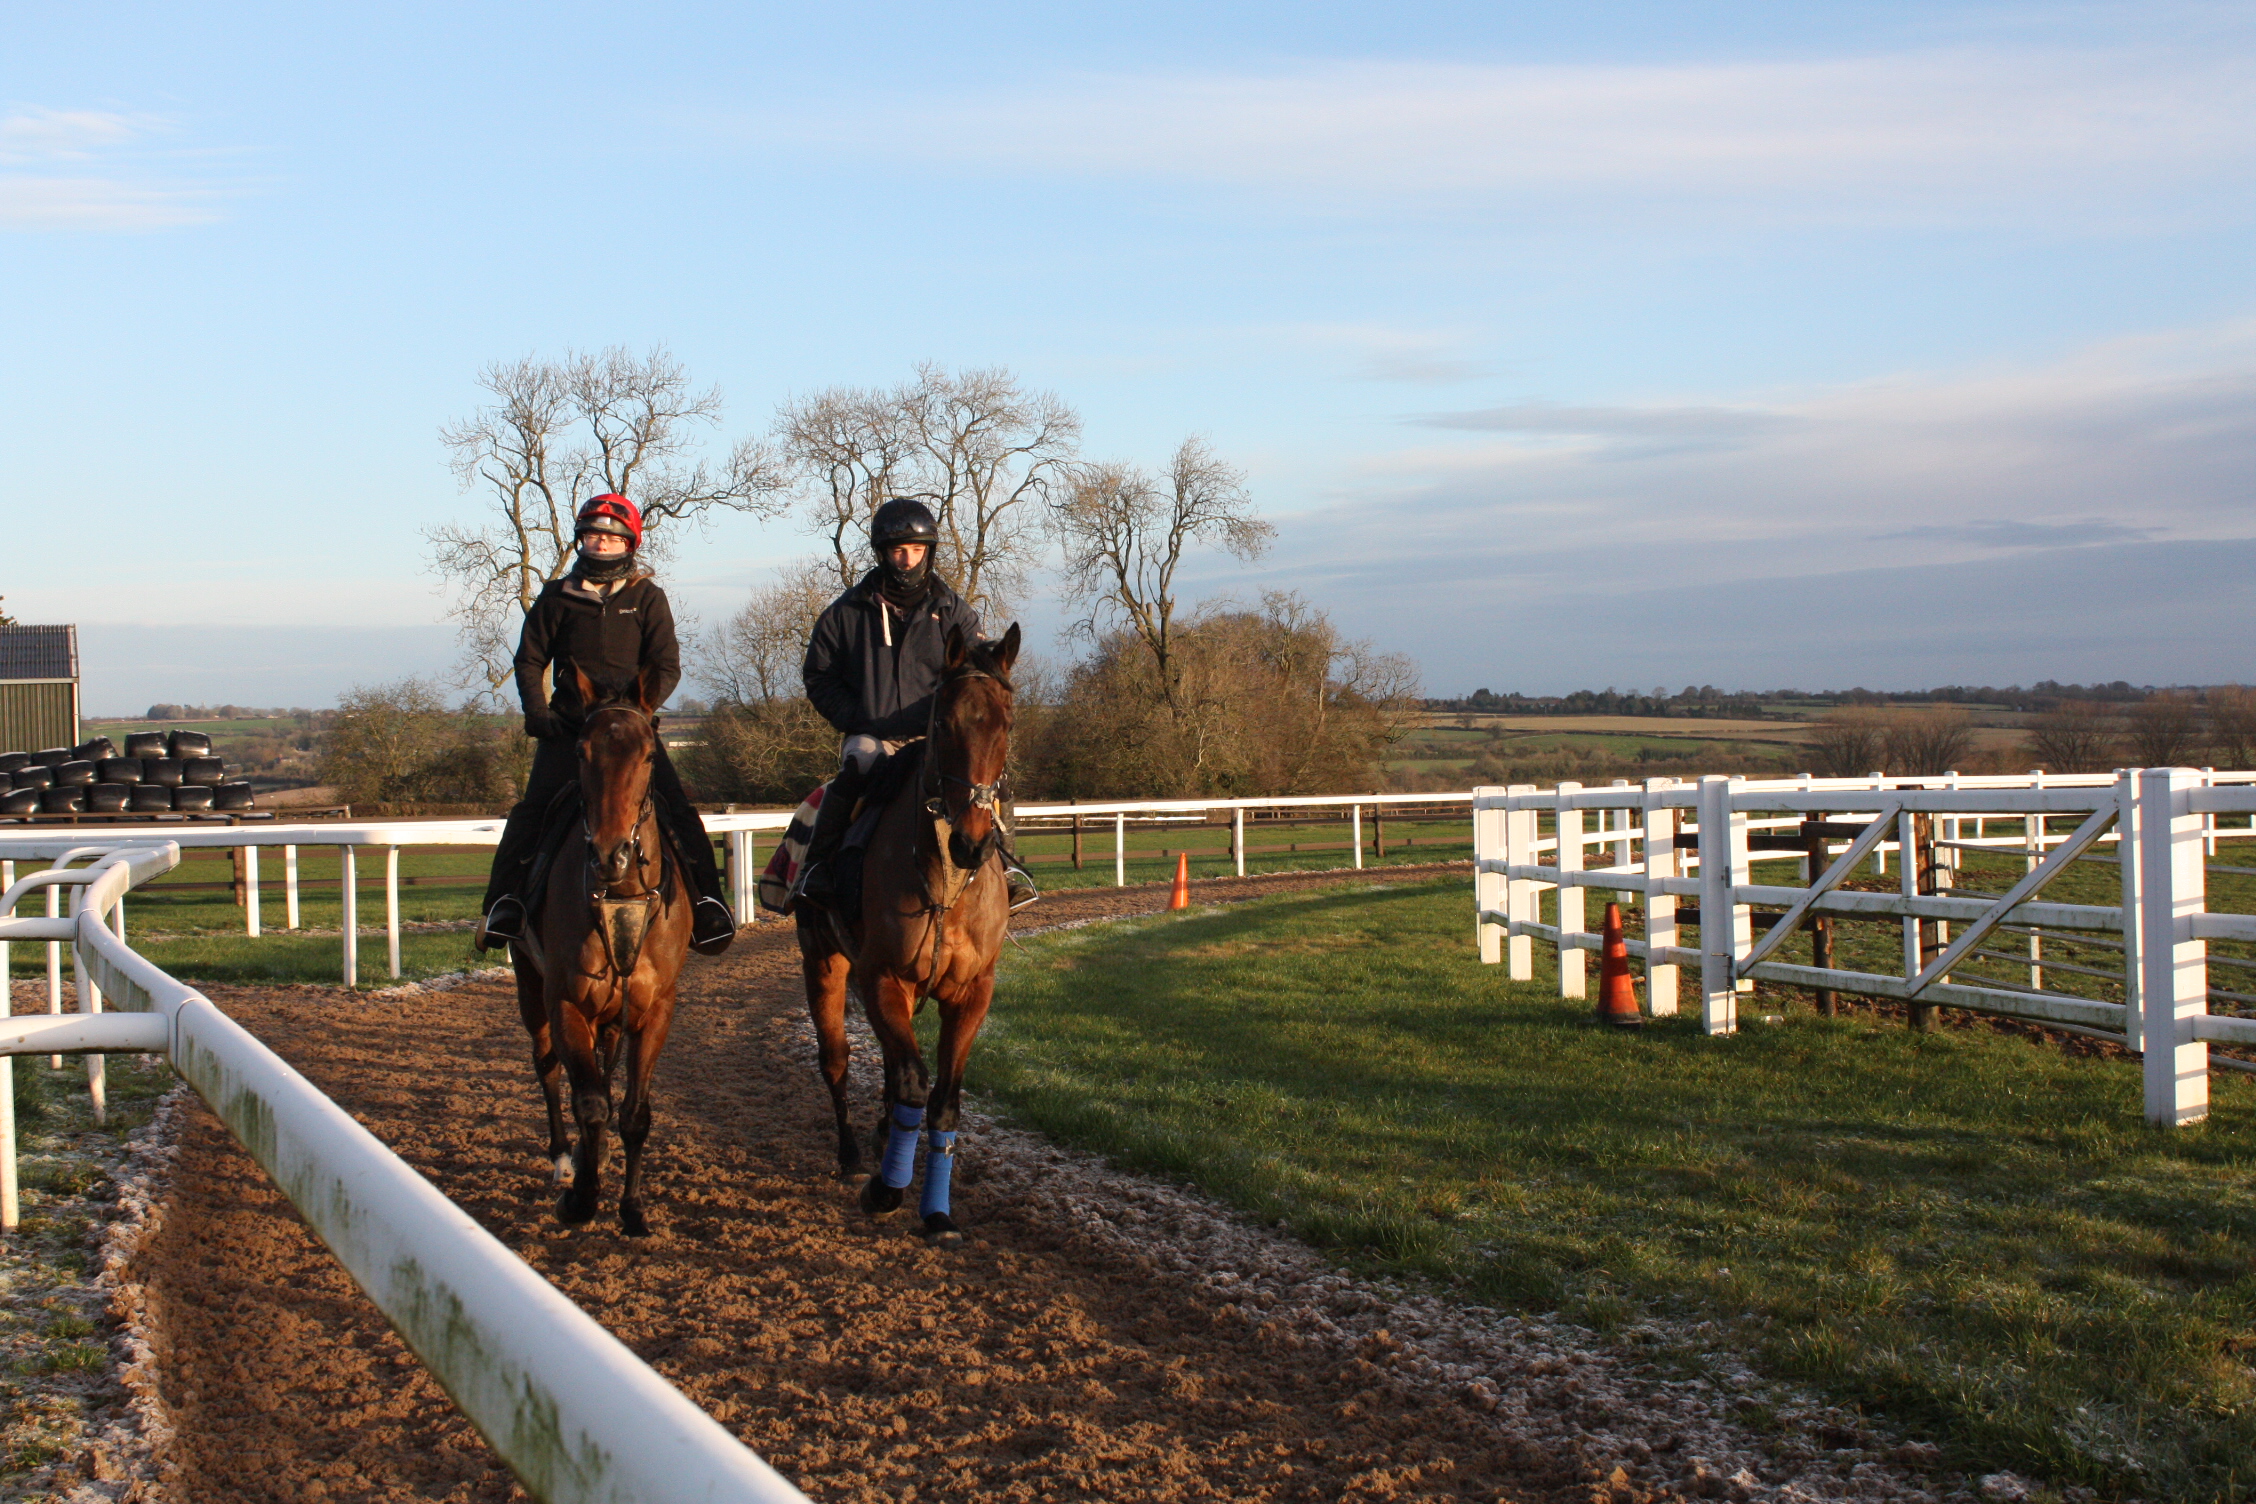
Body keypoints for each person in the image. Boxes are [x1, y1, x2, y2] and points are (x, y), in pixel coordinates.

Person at [476, 493, 737, 954]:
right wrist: (538, 714)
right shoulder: (556, 597)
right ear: (581, 541)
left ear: (628, 544)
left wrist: (638, 714)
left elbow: (666, 666)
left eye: (611, 537)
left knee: (676, 809)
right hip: (572, 730)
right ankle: (503, 905)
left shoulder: (647, 597)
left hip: (631, 732)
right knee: (532, 811)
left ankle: (707, 902)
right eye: (594, 535)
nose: (601, 543)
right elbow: (529, 659)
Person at [792, 497, 1036, 909]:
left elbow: (976, 676)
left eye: (917, 550)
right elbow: (818, 676)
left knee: (993, 780)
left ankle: (1009, 869)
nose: (907, 560)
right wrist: (859, 718)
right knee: (858, 767)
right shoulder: (845, 614)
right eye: (898, 551)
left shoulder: (954, 611)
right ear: (883, 553)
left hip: (935, 738)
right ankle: (818, 868)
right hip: (874, 738)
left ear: (929, 552)